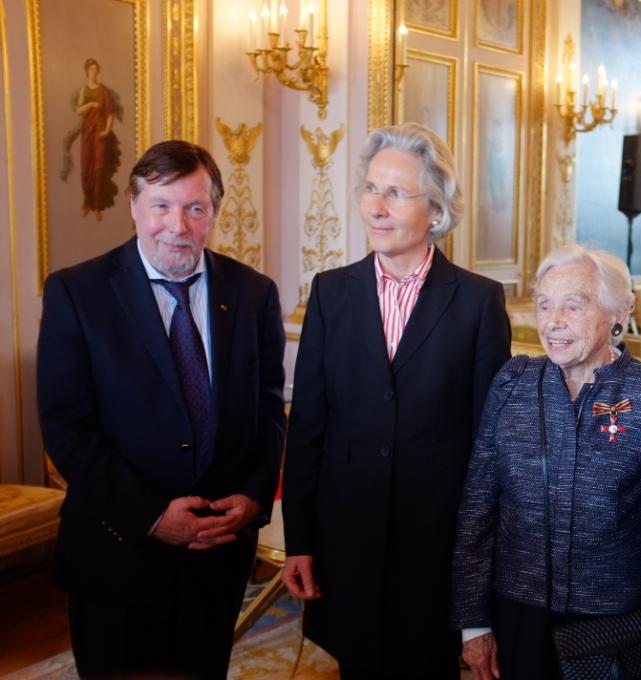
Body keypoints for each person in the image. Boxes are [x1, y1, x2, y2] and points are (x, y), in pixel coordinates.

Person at [37, 140, 287, 678]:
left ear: (214, 212)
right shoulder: (77, 293)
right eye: (161, 205)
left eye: (195, 208)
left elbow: (269, 411)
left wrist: (252, 495)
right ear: (133, 207)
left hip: (216, 558)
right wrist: (152, 516)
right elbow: (66, 428)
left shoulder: (253, 293)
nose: (177, 225)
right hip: (115, 552)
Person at [282, 122, 512, 680]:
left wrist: (479, 578)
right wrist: (300, 540)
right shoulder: (331, 292)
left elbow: (490, 448)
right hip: (347, 537)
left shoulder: (479, 302)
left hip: (435, 548)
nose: (375, 207)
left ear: (435, 210)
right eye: (369, 188)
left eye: (395, 193)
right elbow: (309, 426)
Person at [453, 245, 641, 680]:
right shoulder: (513, 385)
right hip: (519, 616)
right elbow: (478, 508)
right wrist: (474, 623)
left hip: (615, 625)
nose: (552, 321)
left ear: (619, 312)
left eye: (572, 305)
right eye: (544, 305)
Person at [61, 58, 123, 221]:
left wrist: (107, 131)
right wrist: (90, 105)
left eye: (95, 69)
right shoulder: (84, 90)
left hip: (101, 133)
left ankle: (97, 206)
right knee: (87, 167)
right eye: (90, 69)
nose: (93, 72)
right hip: (87, 133)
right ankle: (87, 203)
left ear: (98, 71)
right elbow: (79, 111)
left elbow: (110, 114)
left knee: (99, 168)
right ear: (86, 72)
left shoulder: (104, 91)